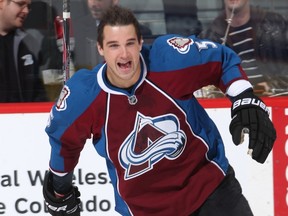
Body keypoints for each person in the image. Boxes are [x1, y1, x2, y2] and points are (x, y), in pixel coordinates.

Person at [43, 5, 276, 216]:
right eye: (114, 45)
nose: (124, 55)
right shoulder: (83, 95)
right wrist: (60, 190)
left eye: (130, 43)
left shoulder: (168, 59)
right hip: (145, 210)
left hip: (210, 192)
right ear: (100, 49)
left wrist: (243, 97)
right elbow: (64, 142)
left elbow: (221, 60)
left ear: (141, 43)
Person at [199, 0, 288, 96]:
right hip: (229, 105)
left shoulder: (276, 25)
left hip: (274, 101)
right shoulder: (209, 38)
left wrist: (272, 86)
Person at [73, 0, 152, 71]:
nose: (93, 4)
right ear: (100, 47)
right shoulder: (77, 28)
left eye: (99, 0)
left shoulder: (141, 31)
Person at [0, 0, 48, 102]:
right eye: (20, 4)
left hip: (27, 116)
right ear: (1, 3)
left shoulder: (30, 43)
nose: (26, 11)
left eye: (28, 6)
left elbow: (39, 91)